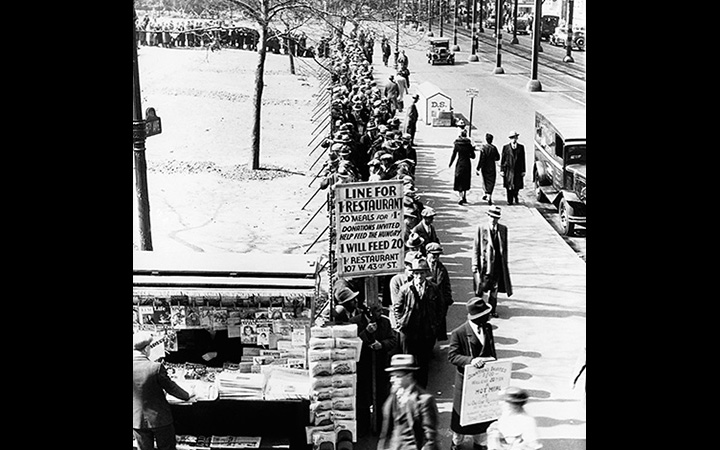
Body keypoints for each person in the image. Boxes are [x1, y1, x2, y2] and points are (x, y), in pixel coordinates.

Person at [447, 297, 498, 450]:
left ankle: (480, 442)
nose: (489, 316)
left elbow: (492, 349)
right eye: (486, 314)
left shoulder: (487, 328)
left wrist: (494, 364)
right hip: (466, 383)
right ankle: (457, 442)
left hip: (484, 381)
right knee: (462, 417)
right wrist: (471, 360)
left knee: (482, 414)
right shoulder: (459, 333)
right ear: (478, 316)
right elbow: (452, 356)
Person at [133, 331, 196, 450]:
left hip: (136, 420)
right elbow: (171, 388)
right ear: (147, 349)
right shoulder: (155, 367)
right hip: (159, 419)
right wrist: (187, 395)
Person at [394, 258, 442, 389]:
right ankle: (410, 389)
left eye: (422, 273)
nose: (419, 276)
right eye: (417, 273)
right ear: (413, 274)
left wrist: (435, 324)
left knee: (423, 363)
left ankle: (422, 389)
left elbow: (440, 308)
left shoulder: (433, 288)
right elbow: (397, 308)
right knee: (408, 362)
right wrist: (401, 322)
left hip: (426, 333)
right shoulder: (405, 289)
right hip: (409, 332)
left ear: (426, 274)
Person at [350, 303, 398, 434]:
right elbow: (352, 344)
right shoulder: (355, 323)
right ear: (368, 312)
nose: (380, 312)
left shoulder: (385, 322)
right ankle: (362, 428)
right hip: (363, 367)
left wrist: (381, 345)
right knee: (362, 399)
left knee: (382, 396)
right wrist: (366, 333)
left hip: (380, 365)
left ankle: (381, 427)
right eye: (377, 310)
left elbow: (393, 340)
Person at [377, 354, 440, 450]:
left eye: (397, 376)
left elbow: (430, 438)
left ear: (409, 376)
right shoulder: (393, 396)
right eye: (391, 376)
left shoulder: (424, 400)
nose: (392, 380)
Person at [471, 205, 513, 318]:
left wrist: (505, 263)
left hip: (498, 266)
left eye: (496, 218)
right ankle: (478, 310)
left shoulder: (503, 229)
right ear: (488, 216)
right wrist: (474, 264)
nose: (493, 220)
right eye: (492, 217)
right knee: (480, 289)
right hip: (484, 266)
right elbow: (475, 248)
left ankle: (492, 309)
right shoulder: (481, 228)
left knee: (494, 290)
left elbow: (505, 249)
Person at [426, 243, 453, 342]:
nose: (435, 258)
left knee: (436, 325)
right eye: (433, 255)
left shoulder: (442, 269)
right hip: (425, 303)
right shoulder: (422, 266)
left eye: (438, 255)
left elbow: (446, 285)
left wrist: (447, 300)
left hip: (438, 303)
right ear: (427, 253)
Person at [450, 129, 476, 205]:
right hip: (467, 164)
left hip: (460, 163)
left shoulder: (457, 145)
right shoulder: (469, 145)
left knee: (459, 180)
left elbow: (454, 155)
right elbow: (473, 156)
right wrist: (471, 151)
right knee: (466, 180)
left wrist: (450, 163)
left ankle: (460, 197)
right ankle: (464, 197)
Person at [500, 131, 526, 205]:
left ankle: (516, 195)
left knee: (517, 185)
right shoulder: (506, 147)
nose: (513, 139)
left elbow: (523, 159)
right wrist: (502, 170)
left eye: (514, 137)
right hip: (508, 169)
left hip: (517, 170)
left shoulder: (521, 147)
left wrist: (523, 170)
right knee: (509, 185)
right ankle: (510, 200)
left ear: (517, 138)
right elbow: (503, 159)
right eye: (512, 138)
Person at [476, 133, 501, 206]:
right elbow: (498, 157)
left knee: (485, 180)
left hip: (485, 167)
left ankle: (486, 193)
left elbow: (481, 159)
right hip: (492, 166)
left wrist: (478, 168)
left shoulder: (483, 148)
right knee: (491, 181)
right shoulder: (494, 148)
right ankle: (489, 195)